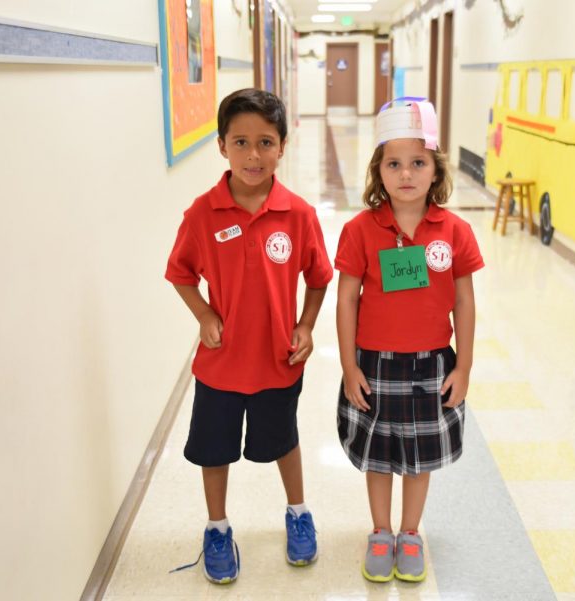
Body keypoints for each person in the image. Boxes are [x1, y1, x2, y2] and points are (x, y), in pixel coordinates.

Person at [165, 88, 332, 584]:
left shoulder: (298, 215)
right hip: (220, 364)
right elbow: (179, 273)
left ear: (283, 146)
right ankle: (217, 528)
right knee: (214, 449)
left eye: (265, 142)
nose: (253, 155)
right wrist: (203, 315)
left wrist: (305, 325)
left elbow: (319, 277)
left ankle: (298, 513)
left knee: (284, 441)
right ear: (221, 146)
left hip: (278, 361)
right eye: (240, 142)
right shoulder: (202, 213)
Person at [334, 97, 484, 583]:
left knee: (419, 459)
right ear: (378, 171)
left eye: (418, 163)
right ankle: (381, 531)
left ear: (435, 170)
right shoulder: (359, 231)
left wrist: (463, 367)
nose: (406, 174)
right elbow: (347, 301)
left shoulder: (454, 232)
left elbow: (464, 302)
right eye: (393, 163)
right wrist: (349, 366)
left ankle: (411, 532)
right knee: (378, 456)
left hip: (431, 365)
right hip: (374, 364)